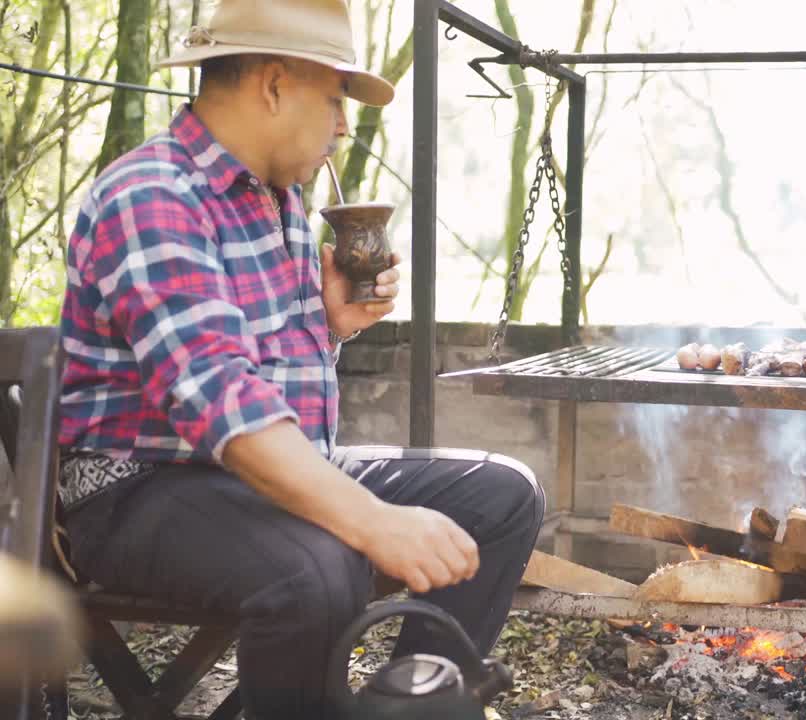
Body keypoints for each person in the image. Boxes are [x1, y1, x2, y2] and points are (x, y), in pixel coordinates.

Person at [56, 2, 544, 718]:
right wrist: (374, 520)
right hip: (138, 491)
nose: (345, 124)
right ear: (275, 85)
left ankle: (413, 706)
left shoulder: (278, 200)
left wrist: (329, 327)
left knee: (500, 496)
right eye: (334, 97)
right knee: (317, 570)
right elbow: (219, 399)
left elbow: (260, 379)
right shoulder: (153, 196)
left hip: (241, 477)